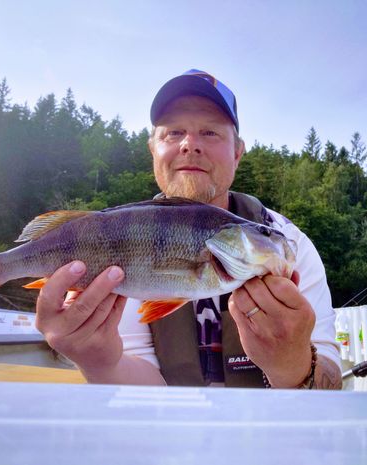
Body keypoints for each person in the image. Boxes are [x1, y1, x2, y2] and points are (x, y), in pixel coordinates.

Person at [36, 69, 342, 389]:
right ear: (153, 149)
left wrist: (294, 364)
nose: (190, 145)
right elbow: (144, 385)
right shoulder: (123, 235)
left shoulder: (286, 241)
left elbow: (332, 384)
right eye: (174, 132)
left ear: (237, 152)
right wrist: (100, 362)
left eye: (210, 132)